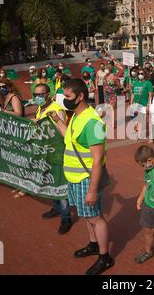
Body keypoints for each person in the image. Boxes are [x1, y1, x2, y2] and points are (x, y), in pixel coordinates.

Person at [48, 78, 114, 275]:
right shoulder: (77, 115)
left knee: (95, 217)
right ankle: (94, 245)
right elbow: (70, 139)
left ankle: (105, 257)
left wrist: (93, 190)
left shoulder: (92, 121)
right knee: (86, 216)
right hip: (75, 177)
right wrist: (58, 120)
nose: (64, 100)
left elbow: (97, 159)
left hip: (86, 179)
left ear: (80, 96)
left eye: (67, 96)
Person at [32, 84, 73, 235]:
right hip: (45, 152)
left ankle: (66, 217)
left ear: (48, 94)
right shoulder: (40, 108)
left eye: (41, 94)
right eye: (35, 94)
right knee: (49, 181)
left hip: (56, 153)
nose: (38, 97)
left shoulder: (56, 109)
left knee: (59, 184)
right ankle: (56, 208)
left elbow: (61, 131)